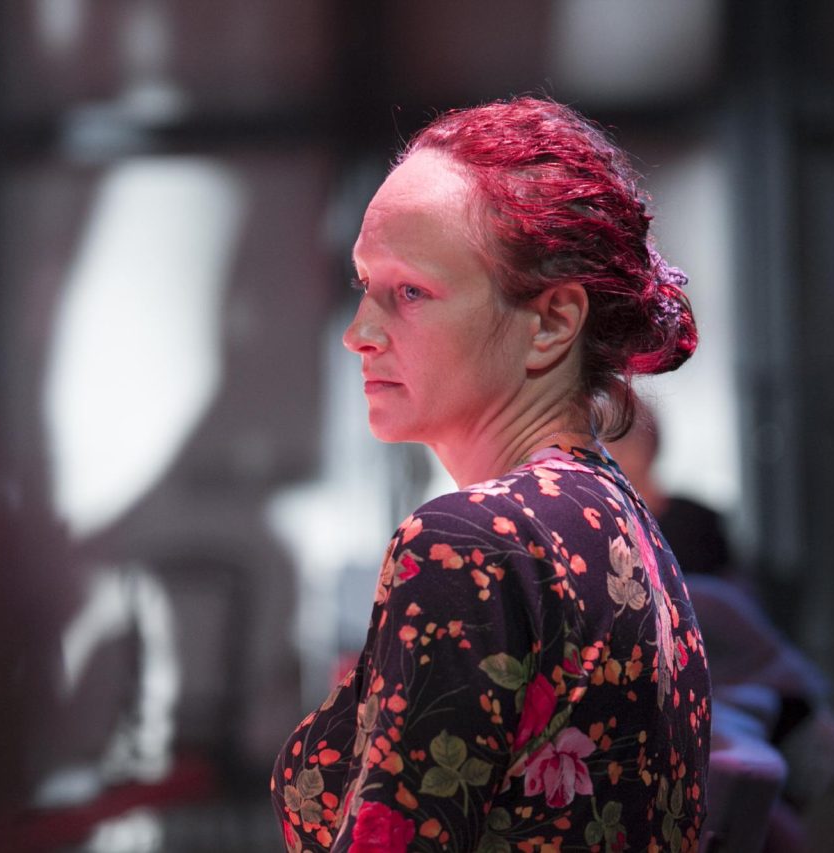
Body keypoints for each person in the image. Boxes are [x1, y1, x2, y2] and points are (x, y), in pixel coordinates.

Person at [271, 98, 710, 853]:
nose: (359, 333)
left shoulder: (470, 543)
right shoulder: (624, 525)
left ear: (552, 322)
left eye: (411, 291)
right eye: (365, 285)